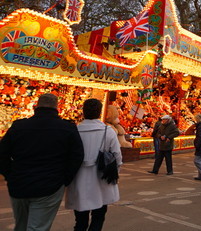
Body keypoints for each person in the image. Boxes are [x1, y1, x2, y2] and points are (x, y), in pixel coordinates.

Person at [0, 93, 84, 231]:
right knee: (38, 227)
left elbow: (2, 153)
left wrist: (10, 175)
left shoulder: (18, 127)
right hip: (50, 185)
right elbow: (77, 156)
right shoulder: (67, 128)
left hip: (20, 184)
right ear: (57, 107)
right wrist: (65, 179)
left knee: (21, 225)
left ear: (36, 106)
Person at [65, 98, 122, 231]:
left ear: (83, 112)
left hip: (78, 178)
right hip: (101, 179)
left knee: (80, 219)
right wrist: (114, 173)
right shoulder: (108, 132)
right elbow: (117, 156)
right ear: (99, 112)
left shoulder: (74, 131)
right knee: (99, 216)